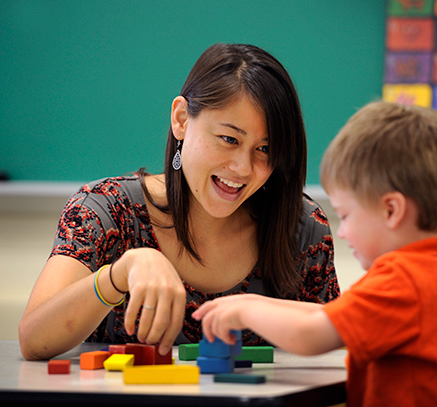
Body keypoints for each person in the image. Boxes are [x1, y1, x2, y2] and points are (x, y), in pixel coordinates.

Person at [18, 43, 340, 361]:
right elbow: (33, 340)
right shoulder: (107, 209)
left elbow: (337, 353)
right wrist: (118, 274)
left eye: (265, 149)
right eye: (229, 139)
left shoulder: (302, 228)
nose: (242, 168)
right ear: (181, 119)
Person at [194, 100, 437, 407]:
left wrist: (245, 313)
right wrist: (254, 302)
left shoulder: (403, 280)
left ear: (391, 210)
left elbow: (311, 335)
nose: (342, 232)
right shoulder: (434, 272)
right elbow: (333, 316)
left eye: (346, 215)